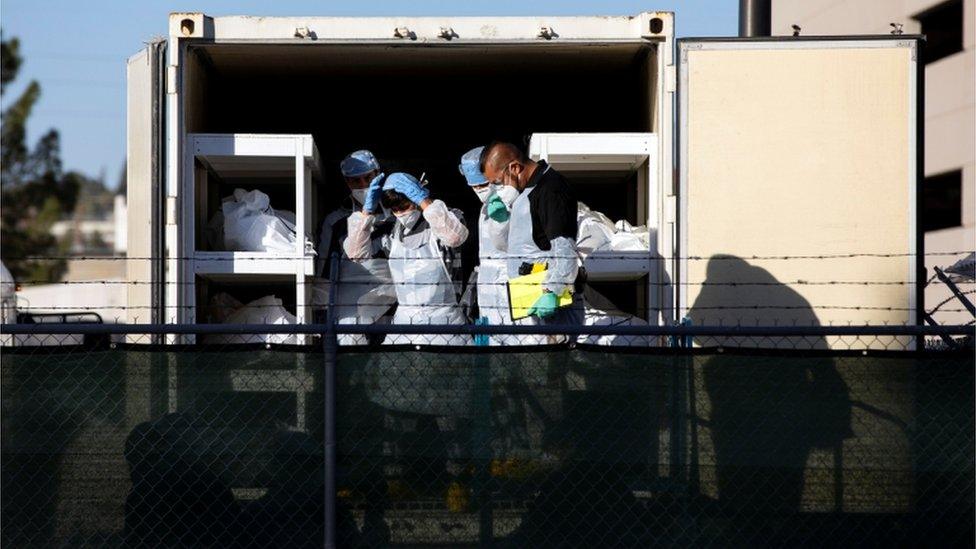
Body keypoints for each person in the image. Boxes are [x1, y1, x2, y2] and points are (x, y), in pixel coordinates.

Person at [343, 172, 470, 346]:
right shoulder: (392, 230)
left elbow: (455, 237)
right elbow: (356, 253)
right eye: (395, 210)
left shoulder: (445, 219)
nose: (401, 213)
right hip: (404, 324)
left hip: (445, 323)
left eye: (405, 206)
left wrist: (424, 201)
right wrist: (367, 212)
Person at [480, 142, 583, 341]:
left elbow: (565, 248)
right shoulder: (526, 192)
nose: (497, 189)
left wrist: (553, 291)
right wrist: (502, 219)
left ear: (515, 168)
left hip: (552, 307)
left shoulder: (551, 190)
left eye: (499, 182)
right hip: (532, 304)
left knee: (555, 367)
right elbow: (513, 247)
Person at [316, 149, 396, 345]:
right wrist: (320, 316)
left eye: (368, 178)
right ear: (346, 182)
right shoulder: (336, 222)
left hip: (394, 301)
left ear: (378, 174)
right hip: (350, 306)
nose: (363, 185)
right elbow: (323, 275)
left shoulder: (398, 216)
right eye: (355, 181)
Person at [459, 146, 523, 345]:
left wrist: (501, 220)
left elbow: (511, 245)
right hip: (488, 290)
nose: (480, 191)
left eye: (484, 184)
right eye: (474, 187)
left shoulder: (515, 200)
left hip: (512, 285)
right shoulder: (486, 208)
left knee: (520, 343)